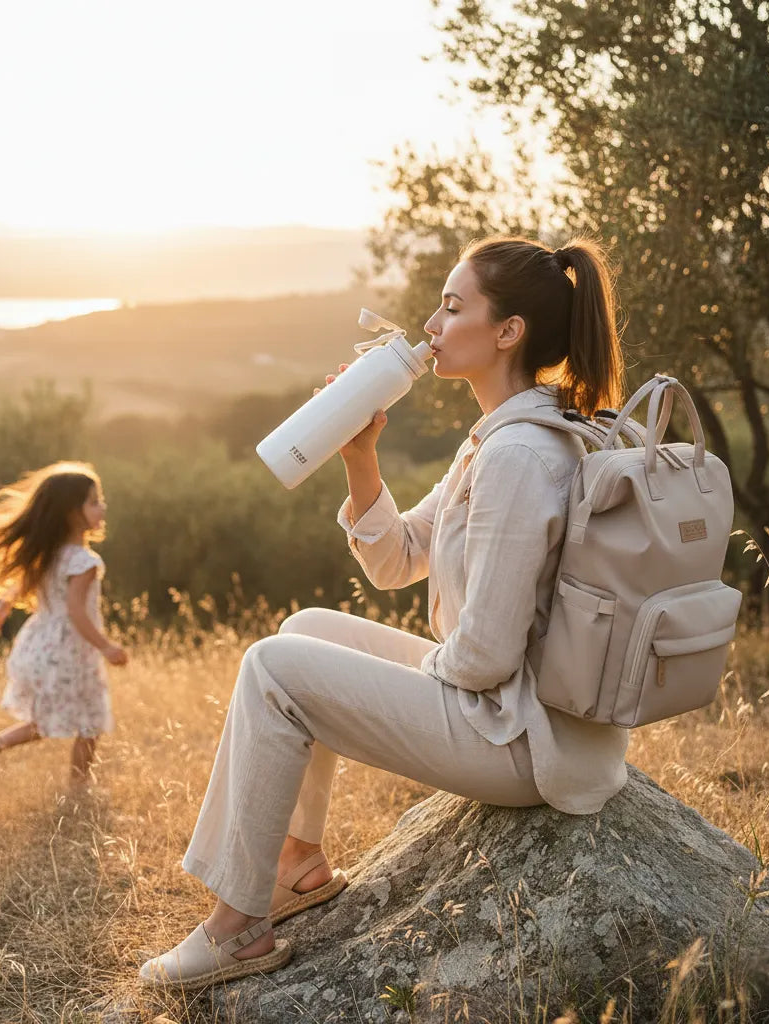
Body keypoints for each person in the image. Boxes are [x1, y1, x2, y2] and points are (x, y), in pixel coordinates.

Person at [139, 235, 629, 989]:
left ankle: (238, 929)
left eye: (452, 307)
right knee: (304, 633)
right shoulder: (496, 439)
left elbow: (486, 656)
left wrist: (392, 690)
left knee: (276, 668)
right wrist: (359, 454)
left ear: (508, 331)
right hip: (505, 704)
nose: (432, 323)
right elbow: (398, 559)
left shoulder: (519, 456)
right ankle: (296, 863)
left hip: (521, 737)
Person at [0, 461, 128, 792]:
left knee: (52, 720)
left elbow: (22, 584)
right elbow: (76, 611)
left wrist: (1, 609)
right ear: (72, 513)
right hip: (71, 651)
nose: (102, 507)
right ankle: (78, 787)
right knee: (90, 720)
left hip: (41, 645)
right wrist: (105, 646)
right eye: (94, 502)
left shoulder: (50, 554)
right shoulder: (85, 562)